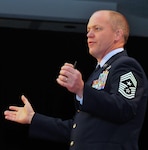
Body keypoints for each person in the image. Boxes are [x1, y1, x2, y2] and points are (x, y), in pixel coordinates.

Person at [4, 10, 148, 150]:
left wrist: (81, 89)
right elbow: (79, 130)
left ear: (117, 34)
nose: (89, 34)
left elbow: (124, 108)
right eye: (88, 29)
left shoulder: (126, 66)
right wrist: (33, 118)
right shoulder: (99, 72)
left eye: (97, 29)